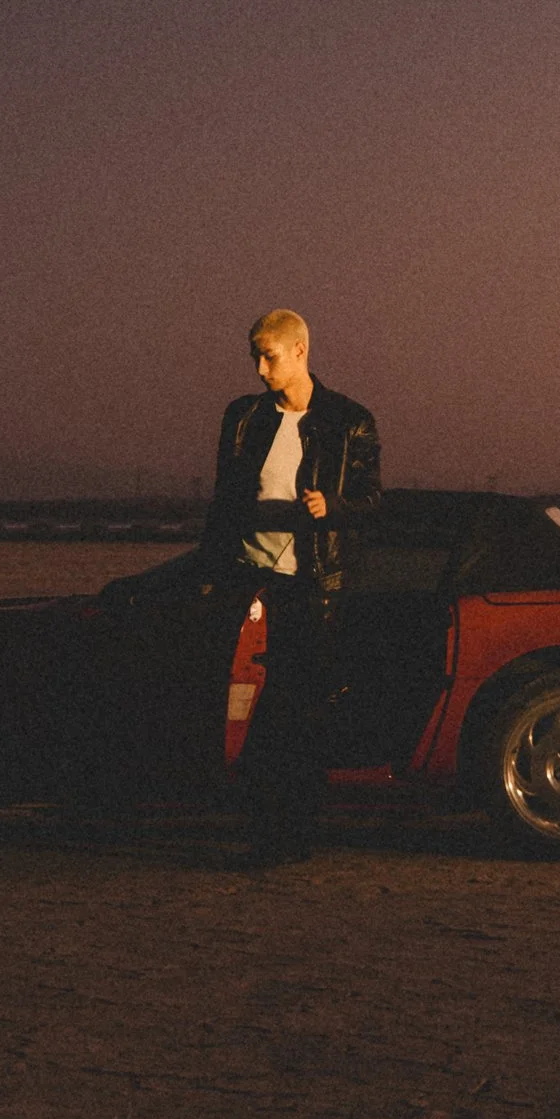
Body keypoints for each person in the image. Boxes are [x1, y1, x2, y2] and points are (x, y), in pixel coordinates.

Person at [201, 307, 381, 865]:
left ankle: (284, 836)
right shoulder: (243, 417)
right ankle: (273, 831)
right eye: (254, 356)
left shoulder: (349, 420)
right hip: (246, 582)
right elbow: (223, 501)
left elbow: (372, 501)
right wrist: (212, 573)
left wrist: (335, 506)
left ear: (300, 350)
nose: (259, 368)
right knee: (246, 710)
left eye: (269, 356)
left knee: (291, 712)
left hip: (311, 585)